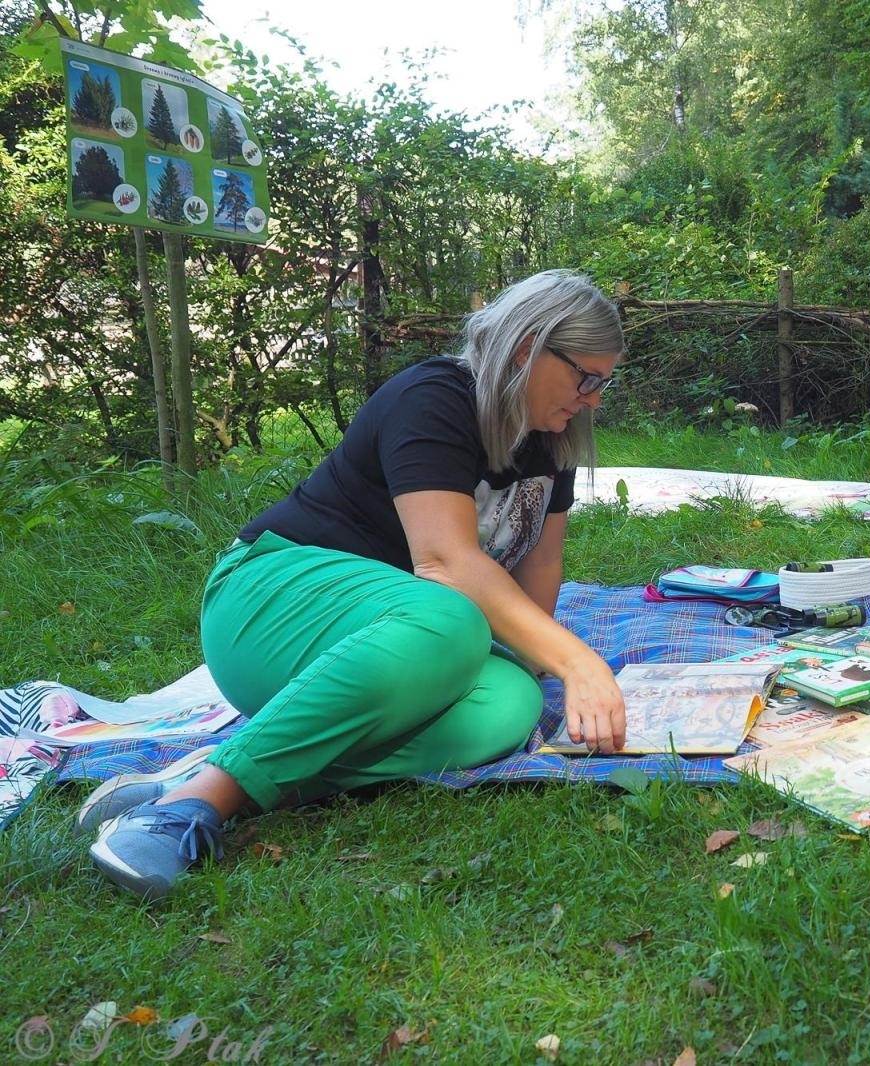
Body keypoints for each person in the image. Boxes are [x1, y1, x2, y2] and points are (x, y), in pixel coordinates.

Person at [81, 269, 629, 901]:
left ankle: (211, 780)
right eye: (586, 378)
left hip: (387, 655)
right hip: (271, 599)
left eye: (603, 384)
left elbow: (540, 564)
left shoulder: (548, 441)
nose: (592, 399)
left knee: (509, 703)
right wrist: (578, 662)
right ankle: (184, 812)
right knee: (454, 619)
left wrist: (539, 663)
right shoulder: (436, 397)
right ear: (529, 345)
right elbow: (446, 562)